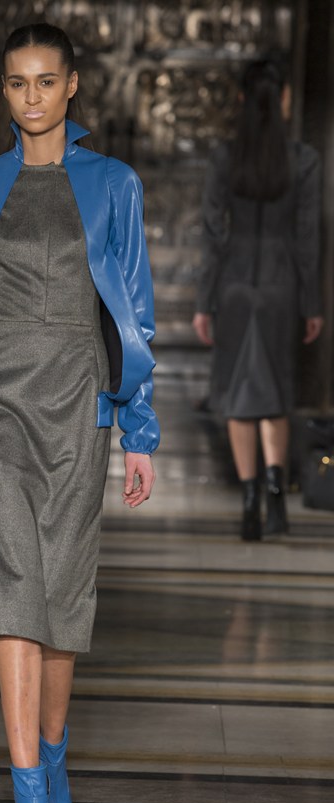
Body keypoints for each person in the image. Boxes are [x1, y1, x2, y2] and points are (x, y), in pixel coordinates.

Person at [0, 23, 159, 803]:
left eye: (44, 80)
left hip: (76, 400)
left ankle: (54, 750)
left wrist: (139, 429)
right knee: (14, 594)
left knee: (63, 594)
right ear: (5, 91)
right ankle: (28, 794)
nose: (30, 96)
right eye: (16, 82)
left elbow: (133, 311)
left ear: (72, 86)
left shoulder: (114, 184)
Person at [193, 60, 323, 542]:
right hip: (280, 286)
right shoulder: (303, 159)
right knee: (274, 393)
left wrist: (204, 301)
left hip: (234, 284)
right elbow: (307, 239)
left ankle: (249, 499)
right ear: (284, 98)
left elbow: (212, 235)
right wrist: (312, 303)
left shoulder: (225, 158)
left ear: (242, 99)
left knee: (237, 395)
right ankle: (275, 496)